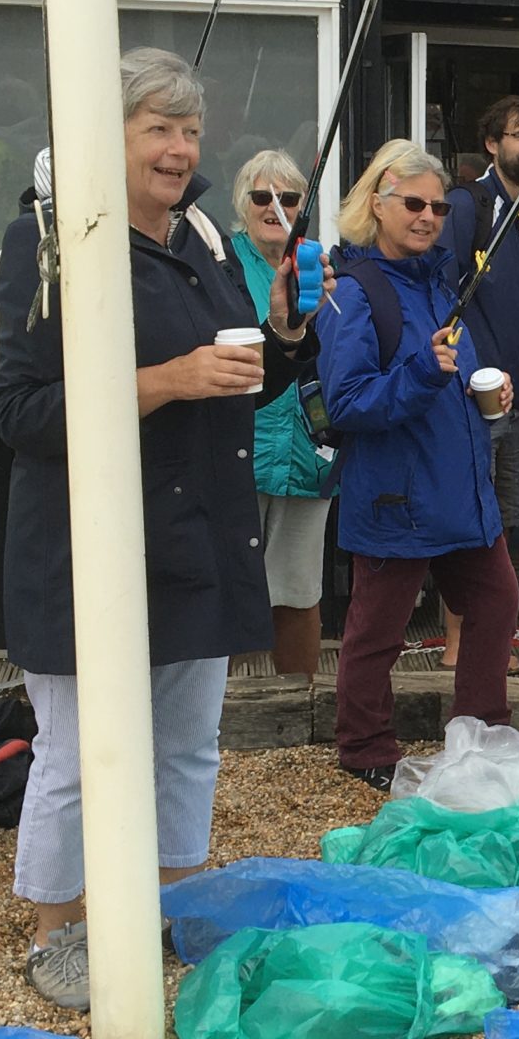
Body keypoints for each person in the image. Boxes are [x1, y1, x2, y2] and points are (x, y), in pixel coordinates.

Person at [0, 48, 303, 1009]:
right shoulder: (48, 239)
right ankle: (57, 928)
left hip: (199, 537)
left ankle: (172, 905)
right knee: (81, 752)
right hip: (87, 547)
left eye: (190, 130)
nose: (179, 148)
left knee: (187, 744)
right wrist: (166, 383)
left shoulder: (203, 236)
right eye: (156, 128)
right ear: (107, 136)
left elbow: (246, 384)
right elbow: (18, 410)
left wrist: (284, 333)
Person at [323, 138, 519, 786]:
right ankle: (366, 749)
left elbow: (446, 378)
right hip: (395, 493)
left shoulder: (439, 285)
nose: (428, 216)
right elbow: (347, 403)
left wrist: (488, 396)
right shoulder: (355, 293)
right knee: (377, 630)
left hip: (459, 489)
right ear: (377, 204)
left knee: (496, 600)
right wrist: (419, 373)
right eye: (413, 203)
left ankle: (481, 738)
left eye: (438, 207)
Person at [438, 96, 519, 670]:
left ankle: (492, 638)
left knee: (504, 520)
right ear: (493, 144)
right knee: (470, 513)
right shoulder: (467, 206)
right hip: (476, 394)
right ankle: (460, 644)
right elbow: (439, 294)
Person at [227, 149, 334, 678]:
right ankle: (213, 714)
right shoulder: (219, 264)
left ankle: (301, 705)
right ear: (241, 205)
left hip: (307, 452)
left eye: (289, 197)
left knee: (298, 586)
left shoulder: (321, 266)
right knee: (223, 583)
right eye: (261, 196)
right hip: (235, 450)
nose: (276, 207)